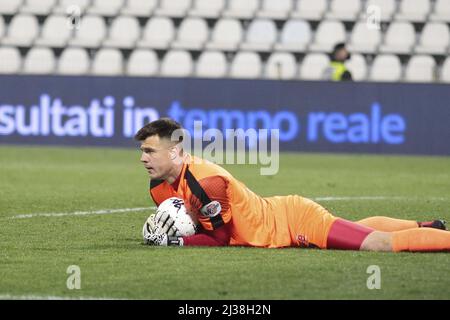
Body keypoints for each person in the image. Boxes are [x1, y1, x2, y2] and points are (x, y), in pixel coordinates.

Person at [137, 118, 449, 252]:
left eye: (150, 150)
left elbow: (218, 239)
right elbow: (199, 224)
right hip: (276, 216)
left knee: (376, 244)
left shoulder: (207, 182)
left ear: (175, 151)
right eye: (142, 151)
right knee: (351, 229)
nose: (143, 158)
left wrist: (175, 242)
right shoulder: (158, 187)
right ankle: (426, 225)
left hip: (291, 221)